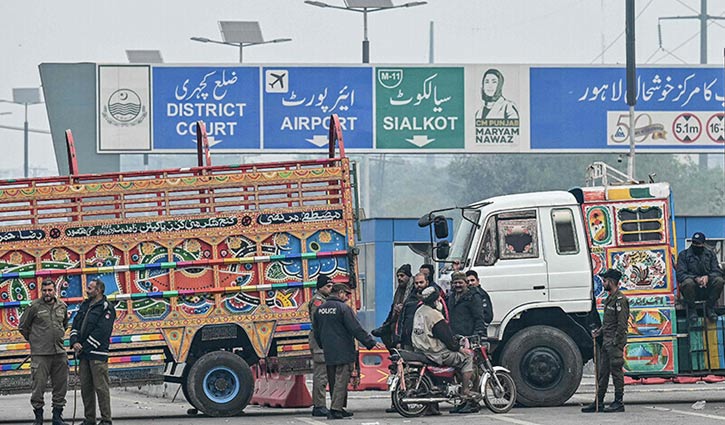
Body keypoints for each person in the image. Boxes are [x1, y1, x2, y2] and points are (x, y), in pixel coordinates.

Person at [314, 283, 383, 420]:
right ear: (339, 293)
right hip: (343, 349)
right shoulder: (343, 309)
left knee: (333, 379)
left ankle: (338, 406)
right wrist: (370, 342)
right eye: (346, 294)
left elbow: (316, 331)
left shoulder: (320, 309)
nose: (347, 298)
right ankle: (336, 409)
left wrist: (322, 345)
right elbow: (355, 329)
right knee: (342, 379)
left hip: (328, 349)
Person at [413, 286, 478, 414]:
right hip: (436, 353)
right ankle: (465, 392)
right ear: (436, 300)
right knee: (467, 358)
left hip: (420, 350)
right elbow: (447, 339)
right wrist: (459, 348)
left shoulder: (419, 311)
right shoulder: (435, 315)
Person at [18, 278, 70, 425]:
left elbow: (64, 325)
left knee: (61, 385)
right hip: (40, 354)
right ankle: (38, 418)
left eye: (50, 290)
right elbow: (23, 326)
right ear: (42, 291)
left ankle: (57, 417)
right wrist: (35, 340)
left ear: (55, 291)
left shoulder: (62, 306)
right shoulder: (34, 307)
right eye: (45, 290)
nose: (47, 293)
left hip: (59, 352)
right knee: (38, 386)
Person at [582, 269, 629, 413]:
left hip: (614, 343)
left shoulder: (620, 300)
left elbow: (622, 325)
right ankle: (599, 402)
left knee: (616, 373)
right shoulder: (610, 299)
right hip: (606, 342)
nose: (603, 283)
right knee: (602, 373)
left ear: (611, 282)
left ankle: (618, 402)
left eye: (605, 281)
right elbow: (608, 323)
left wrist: (616, 341)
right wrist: (599, 332)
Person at [71, 278, 116, 425]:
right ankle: (89, 419)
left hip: (97, 355)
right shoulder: (85, 305)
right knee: (86, 388)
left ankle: (106, 420)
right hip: (84, 355)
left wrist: (84, 346)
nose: (87, 290)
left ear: (98, 291)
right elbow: (76, 323)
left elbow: (102, 331)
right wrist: (75, 342)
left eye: (90, 288)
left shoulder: (106, 307)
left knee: (101, 388)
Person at [677, 232, 725, 323]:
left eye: (698, 243)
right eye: (694, 243)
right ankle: (692, 310)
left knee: (719, 281)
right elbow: (680, 274)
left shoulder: (710, 254)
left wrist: (708, 277)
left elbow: (717, 271)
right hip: (691, 289)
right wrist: (696, 278)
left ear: (703, 244)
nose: (696, 245)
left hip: (707, 288)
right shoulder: (683, 255)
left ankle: (710, 308)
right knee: (687, 282)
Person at [308, 274, 334, 417]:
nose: (331, 289)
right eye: (328, 286)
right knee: (321, 375)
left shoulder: (323, 300)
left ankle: (320, 404)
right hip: (320, 341)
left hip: (323, 340)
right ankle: (319, 405)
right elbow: (318, 322)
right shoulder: (318, 302)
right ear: (321, 287)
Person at [372, 264, 414, 349]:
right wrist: (386, 324)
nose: (399, 278)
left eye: (402, 276)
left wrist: (403, 309)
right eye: (398, 276)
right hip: (395, 323)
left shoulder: (413, 291)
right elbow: (392, 310)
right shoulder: (399, 291)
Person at [447, 272, 487, 338]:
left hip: (469, 336)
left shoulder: (473, 297)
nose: (457, 285)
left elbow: (479, 318)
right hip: (454, 336)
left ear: (466, 283)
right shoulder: (451, 297)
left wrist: (476, 335)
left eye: (460, 283)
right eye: (455, 283)